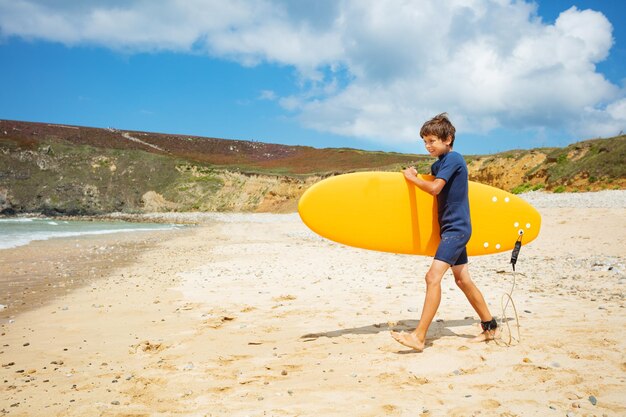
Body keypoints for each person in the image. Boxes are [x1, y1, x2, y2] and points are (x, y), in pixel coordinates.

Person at [391, 113, 497, 351]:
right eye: (425, 142)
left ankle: (419, 337)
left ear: (448, 139)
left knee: (432, 277)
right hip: (450, 228)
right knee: (462, 280)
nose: (428, 146)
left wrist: (412, 179)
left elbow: (435, 189)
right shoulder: (439, 163)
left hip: (456, 229)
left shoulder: (453, 159)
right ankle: (490, 327)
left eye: (432, 141)